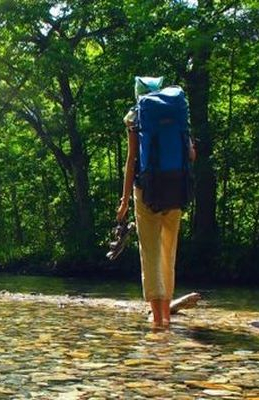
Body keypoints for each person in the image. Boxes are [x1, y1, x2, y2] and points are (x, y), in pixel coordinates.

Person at [116, 76, 196, 330]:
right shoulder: (178, 111)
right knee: (168, 253)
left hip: (146, 192)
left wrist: (125, 200)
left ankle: (158, 322)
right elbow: (191, 154)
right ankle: (167, 319)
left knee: (149, 252)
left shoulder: (134, 118)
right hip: (175, 190)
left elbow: (131, 162)